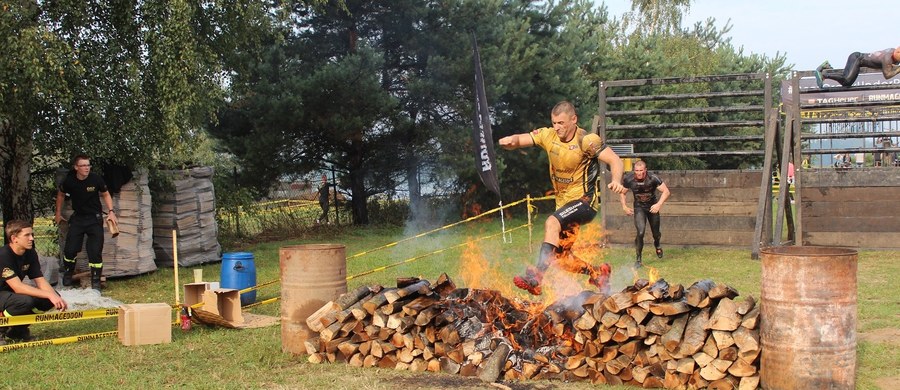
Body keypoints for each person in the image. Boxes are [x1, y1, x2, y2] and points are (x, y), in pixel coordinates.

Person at [499, 101, 626, 295]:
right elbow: (519, 139)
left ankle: (536, 277)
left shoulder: (586, 140)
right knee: (560, 258)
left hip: (584, 202)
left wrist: (616, 179)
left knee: (551, 222)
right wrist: (509, 142)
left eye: (561, 123)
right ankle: (598, 272)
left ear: (573, 119)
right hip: (564, 205)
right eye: (554, 123)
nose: (557, 128)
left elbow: (614, 160)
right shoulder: (548, 135)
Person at [0, 220, 69, 345]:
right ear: (14, 238)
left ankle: (18, 330)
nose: (31, 238)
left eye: (32, 234)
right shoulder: (3, 255)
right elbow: (18, 287)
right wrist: (49, 294)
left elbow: (40, 280)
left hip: (10, 293)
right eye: (27, 235)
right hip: (3, 293)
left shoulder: (30, 253)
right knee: (24, 301)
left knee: (48, 299)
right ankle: (1, 330)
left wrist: (54, 296)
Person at [54, 155, 117, 291]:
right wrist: (58, 213)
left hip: (94, 219)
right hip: (78, 219)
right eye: (83, 165)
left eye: (88, 165)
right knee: (70, 250)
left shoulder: (96, 179)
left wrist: (111, 211)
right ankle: (68, 276)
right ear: (76, 167)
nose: (86, 168)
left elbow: (106, 193)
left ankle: (95, 283)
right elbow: (60, 194)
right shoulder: (69, 181)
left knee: (95, 251)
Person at [618, 161, 671, 268]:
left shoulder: (653, 178)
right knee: (640, 232)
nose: (639, 173)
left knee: (656, 233)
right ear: (634, 171)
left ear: (645, 170)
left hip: (652, 207)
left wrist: (658, 205)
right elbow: (622, 192)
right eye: (637, 171)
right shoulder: (629, 179)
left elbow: (666, 192)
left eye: (641, 171)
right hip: (639, 208)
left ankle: (657, 244)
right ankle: (638, 259)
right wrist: (624, 206)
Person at [815, 46, 900, 88]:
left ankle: (826, 67)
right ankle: (824, 75)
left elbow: (892, 65)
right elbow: (887, 75)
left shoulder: (892, 51)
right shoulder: (887, 58)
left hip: (857, 60)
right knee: (846, 80)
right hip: (857, 58)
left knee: (846, 83)